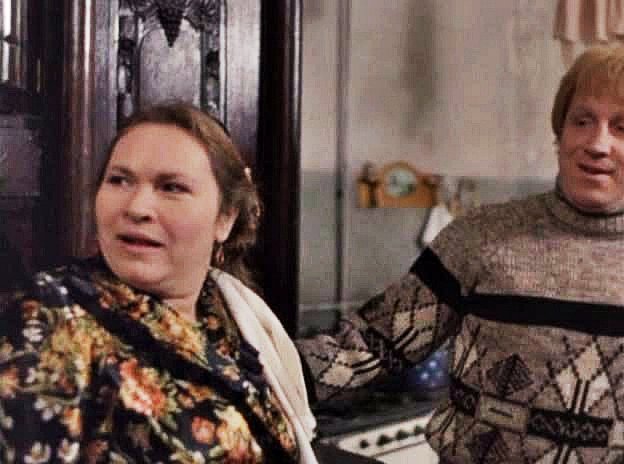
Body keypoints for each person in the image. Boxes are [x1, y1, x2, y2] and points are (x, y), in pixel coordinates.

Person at [297, 44, 624, 463]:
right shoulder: (482, 236)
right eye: (582, 120)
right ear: (560, 134)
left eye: (621, 127)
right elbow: (370, 345)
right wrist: (245, 374)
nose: (597, 143)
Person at [0, 102, 318, 463]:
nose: (137, 207)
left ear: (225, 218)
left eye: (171, 187)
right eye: (119, 180)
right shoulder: (51, 316)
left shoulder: (226, 312)